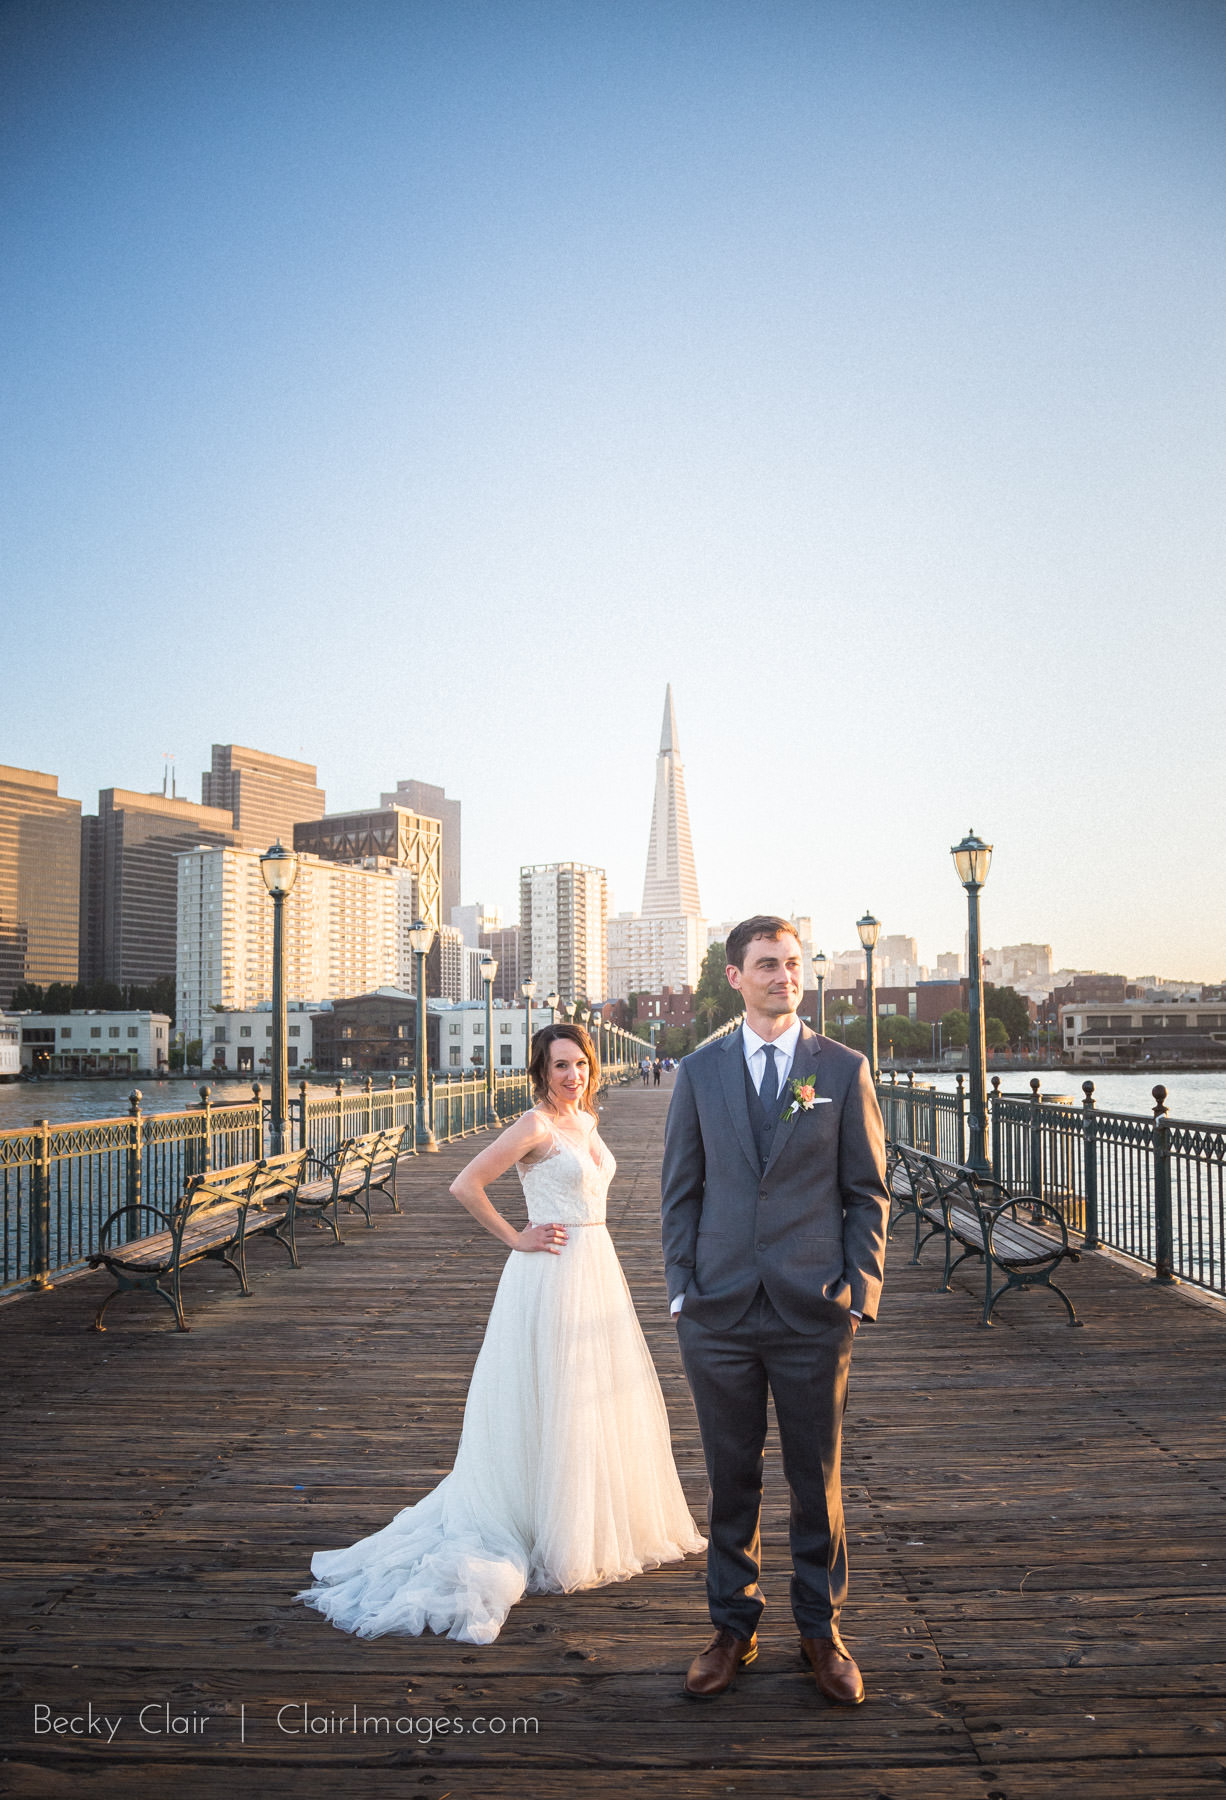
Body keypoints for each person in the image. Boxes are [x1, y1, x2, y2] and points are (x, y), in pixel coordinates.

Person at [299, 1022, 704, 1645]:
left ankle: (588, 1518)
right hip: (550, 1271)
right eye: (560, 1066)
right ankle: (546, 1526)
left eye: (581, 1064)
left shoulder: (586, 1124)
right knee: (553, 1392)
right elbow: (465, 1184)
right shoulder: (535, 1126)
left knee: (591, 1392)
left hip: (597, 1267)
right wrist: (518, 1235)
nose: (573, 1075)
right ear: (541, 1072)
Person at [661, 916, 889, 1704]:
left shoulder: (842, 1067)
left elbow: (867, 1193)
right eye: (766, 964)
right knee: (731, 1478)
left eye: (792, 964)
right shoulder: (698, 1070)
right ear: (735, 976)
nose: (783, 976)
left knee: (814, 1477)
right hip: (717, 1313)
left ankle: (821, 1633)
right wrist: (682, 1290)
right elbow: (680, 1194)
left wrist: (858, 1292)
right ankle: (733, 1628)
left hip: (813, 1311)